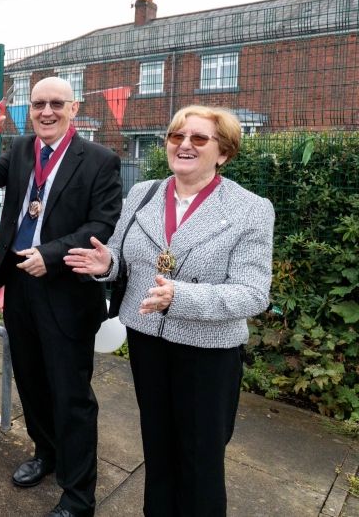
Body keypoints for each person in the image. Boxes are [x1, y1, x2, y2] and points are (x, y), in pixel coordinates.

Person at [64, 105, 274, 516]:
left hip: (208, 352)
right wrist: (108, 266)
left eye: (199, 138)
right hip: (148, 342)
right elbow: (124, 261)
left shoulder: (251, 208)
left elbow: (253, 294)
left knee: (200, 462)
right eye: (176, 136)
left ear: (224, 152)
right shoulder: (143, 194)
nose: (184, 145)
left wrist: (181, 297)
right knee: (157, 449)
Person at [0, 77, 123, 517]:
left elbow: (101, 224)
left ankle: (78, 497)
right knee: (32, 382)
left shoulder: (100, 160)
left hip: (66, 290)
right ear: (29, 110)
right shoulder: (19, 150)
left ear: (74, 108)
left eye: (56, 104)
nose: (47, 111)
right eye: (39, 104)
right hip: (19, 283)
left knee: (71, 395)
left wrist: (49, 256)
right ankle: (46, 455)